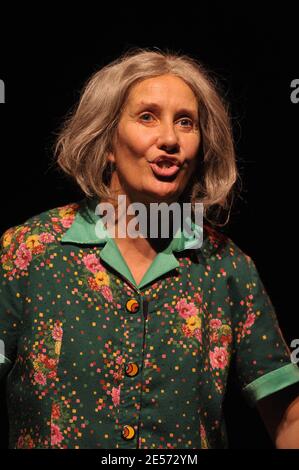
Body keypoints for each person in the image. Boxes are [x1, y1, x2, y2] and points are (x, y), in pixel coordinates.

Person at [0, 48, 299, 450]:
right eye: (147, 117)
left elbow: (289, 416)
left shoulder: (226, 267)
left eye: (185, 122)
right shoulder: (30, 252)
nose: (170, 139)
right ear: (107, 141)